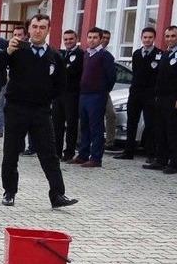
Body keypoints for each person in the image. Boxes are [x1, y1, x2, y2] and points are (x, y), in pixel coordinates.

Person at [0, 14, 78, 208]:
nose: (38, 30)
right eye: (35, 27)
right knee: (11, 153)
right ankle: (9, 191)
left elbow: (60, 84)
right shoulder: (18, 50)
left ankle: (57, 195)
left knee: (49, 154)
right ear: (29, 29)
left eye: (42, 27)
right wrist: (7, 52)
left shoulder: (54, 56)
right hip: (16, 109)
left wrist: (45, 98)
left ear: (48, 30)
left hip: (41, 112)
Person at [69, 28, 116, 168]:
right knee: (84, 126)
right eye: (89, 37)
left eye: (95, 37)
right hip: (84, 94)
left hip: (97, 95)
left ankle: (96, 158)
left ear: (101, 39)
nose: (91, 40)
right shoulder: (86, 54)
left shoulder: (105, 56)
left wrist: (102, 90)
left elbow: (111, 77)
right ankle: (83, 154)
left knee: (96, 127)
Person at [115, 27, 160, 161]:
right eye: (145, 37)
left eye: (150, 37)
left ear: (154, 38)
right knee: (132, 122)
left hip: (150, 94)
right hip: (135, 93)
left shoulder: (159, 54)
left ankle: (151, 153)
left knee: (150, 123)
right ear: (141, 38)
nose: (147, 40)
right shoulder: (136, 54)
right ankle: (128, 152)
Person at [143, 25, 177, 174]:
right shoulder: (165, 54)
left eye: (173, 36)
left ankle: (173, 163)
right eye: (167, 36)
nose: (170, 39)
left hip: (174, 99)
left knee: (172, 131)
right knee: (160, 130)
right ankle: (161, 160)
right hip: (161, 98)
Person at [53, 30, 84, 162]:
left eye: (70, 39)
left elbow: (73, 72)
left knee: (71, 124)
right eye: (65, 39)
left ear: (76, 39)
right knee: (56, 124)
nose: (68, 42)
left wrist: (64, 69)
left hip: (72, 94)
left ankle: (69, 152)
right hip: (58, 94)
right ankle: (56, 151)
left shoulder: (80, 54)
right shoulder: (61, 54)